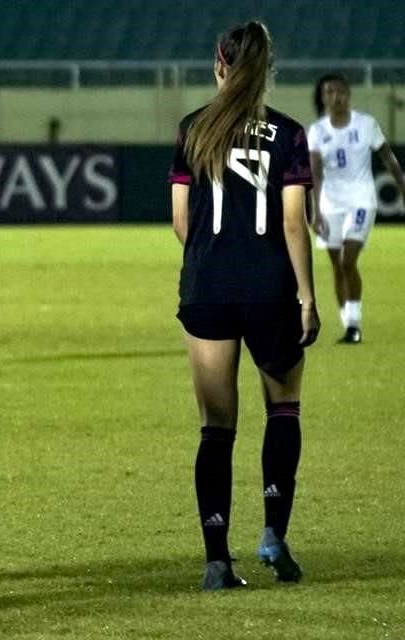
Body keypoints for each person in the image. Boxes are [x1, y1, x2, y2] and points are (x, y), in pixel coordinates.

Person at [168, 21, 320, 590]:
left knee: (216, 427)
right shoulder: (287, 134)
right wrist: (306, 295)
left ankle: (216, 561)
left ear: (220, 65)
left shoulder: (192, 129)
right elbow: (291, 222)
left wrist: (214, 258)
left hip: (207, 290)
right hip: (270, 291)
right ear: (266, 70)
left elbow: (181, 220)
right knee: (283, 410)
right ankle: (273, 535)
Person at [308, 73, 405, 343]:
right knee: (337, 267)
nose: (335, 96)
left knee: (347, 260)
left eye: (340, 91)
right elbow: (315, 174)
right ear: (323, 97)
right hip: (330, 204)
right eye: (329, 92)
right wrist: (315, 212)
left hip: (361, 200)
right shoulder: (317, 132)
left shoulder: (366, 124)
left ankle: (354, 325)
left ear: (348, 94)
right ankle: (348, 321)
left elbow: (388, 157)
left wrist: (403, 187)